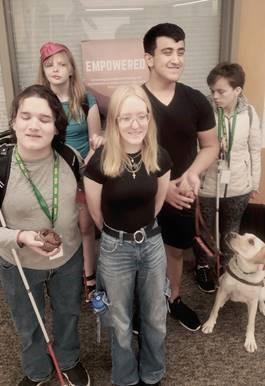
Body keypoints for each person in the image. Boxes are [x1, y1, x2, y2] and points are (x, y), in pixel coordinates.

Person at [0, 84, 90, 386]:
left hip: (68, 258)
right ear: (14, 121)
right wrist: (21, 237)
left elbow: (83, 201)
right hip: (18, 263)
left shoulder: (70, 157)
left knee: (69, 314)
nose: (34, 125)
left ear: (56, 126)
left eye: (44, 118)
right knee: (27, 323)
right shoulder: (1, 164)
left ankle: (67, 359)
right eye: (25, 116)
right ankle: (37, 370)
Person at [84, 84, 171, 386]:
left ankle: (152, 372)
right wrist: (117, 236)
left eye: (141, 116)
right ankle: (125, 378)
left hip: (151, 244)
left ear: (149, 118)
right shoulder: (99, 162)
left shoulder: (159, 155)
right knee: (119, 321)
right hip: (114, 247)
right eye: (125, 118)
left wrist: (143, 232)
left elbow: (158, 203)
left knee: (155, 316)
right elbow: (96, 214)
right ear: (115, 122)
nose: (135, 125)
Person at [142, 23, 219, 331]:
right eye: (167, 52)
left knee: (175, 249)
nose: (176, 59)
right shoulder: (134, 100)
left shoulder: (196, 100)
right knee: (142, 253)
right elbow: (124, 156)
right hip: (143, 194)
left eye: (181, 52)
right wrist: (163, 188)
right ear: (149, 58)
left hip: (183, 192)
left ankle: (173, 298)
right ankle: (146, 303)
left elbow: (211, 146)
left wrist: (190, 176)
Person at [38, 42, 102, 300]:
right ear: (43, 70)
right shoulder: (39, 101)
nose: (56, 69)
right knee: (58, 227)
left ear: (71, 69)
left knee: (85, 227)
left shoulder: (86, 99)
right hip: (50, 174)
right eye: (49, 65)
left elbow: (95, 140)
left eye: (62, 64)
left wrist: (86, 161)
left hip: (82, 173)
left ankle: (89, 277)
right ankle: (62, 278)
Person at [194, 62, 261, 279]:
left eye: (221, 91)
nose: (215, 96)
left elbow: (254, 150)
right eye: (212, 90)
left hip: (238, 185)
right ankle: (204, 267)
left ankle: (226, 267)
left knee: (231, 231)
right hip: (208, 185)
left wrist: (254, 182)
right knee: (204, 231)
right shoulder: (204, 112)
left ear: (237, 91)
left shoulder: (249, 114)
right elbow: (193, 148)